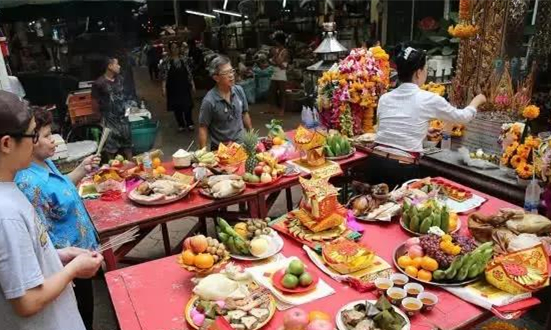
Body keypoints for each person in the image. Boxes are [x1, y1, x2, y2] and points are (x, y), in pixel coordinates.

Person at [0, 90, 103, 330]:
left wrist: (59, 255)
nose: (36, 142)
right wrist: (73, 270)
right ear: (6, 143)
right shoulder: (6, 214)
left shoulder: (9, 190)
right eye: (32, 135)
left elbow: (16, 266)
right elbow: (27, 300)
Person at [365, 45, 486, 188]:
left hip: (375, 162)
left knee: (375, 208)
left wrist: (424, 130)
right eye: (426, 69)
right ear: (418, 72)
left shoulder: (385, 98)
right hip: (401, 168)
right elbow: (463, 117)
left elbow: (390, 128)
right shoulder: (428, 99)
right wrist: (477, 100)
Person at [198, 55, 253, 150]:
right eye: (226, 73)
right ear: (216, 78)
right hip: (221, 150)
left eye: (231, 71)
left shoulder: (239, 90)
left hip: (242, 145)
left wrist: (251, 137)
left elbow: (245, 114)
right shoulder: (209, 101)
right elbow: (203, 127)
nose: (231, 75)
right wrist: (203, 153)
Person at [91, 56, 132, 160]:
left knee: (127, 144)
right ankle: (112, 168)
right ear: (109, 66)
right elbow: (94, 102)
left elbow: (127, 96)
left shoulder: (120, 79)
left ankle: (131, 164)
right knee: (110, 146)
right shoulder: (99, 83)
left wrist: (127, 112)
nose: (119, 66)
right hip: (109, 120)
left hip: (123, 119)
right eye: (116, 64)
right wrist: (99, 118)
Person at [160, 41, 196, 132]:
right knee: (177, 107)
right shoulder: (166, 61)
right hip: (173, 88)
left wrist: (193, 84)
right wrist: (163, 88)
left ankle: (189, 123)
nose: (175, 49)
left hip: (184, 86)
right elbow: (164, 75)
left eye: (176, 47)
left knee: (187, 105)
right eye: (173, 48)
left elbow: (189, 73)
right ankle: (181, 124)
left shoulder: (185, 59)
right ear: (170, 49)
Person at [267, 31, 289, 115]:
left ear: (279, 41)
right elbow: (273, 62)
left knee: (282, 93)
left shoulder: (285, 51)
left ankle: (282, 110)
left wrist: (275, 56)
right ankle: (271, 108)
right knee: (271, 91)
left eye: (275, 41)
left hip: (281, 74)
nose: (274, 42)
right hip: (275, 73)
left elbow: (282, 66)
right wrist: (276, 61)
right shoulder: (275, 50)